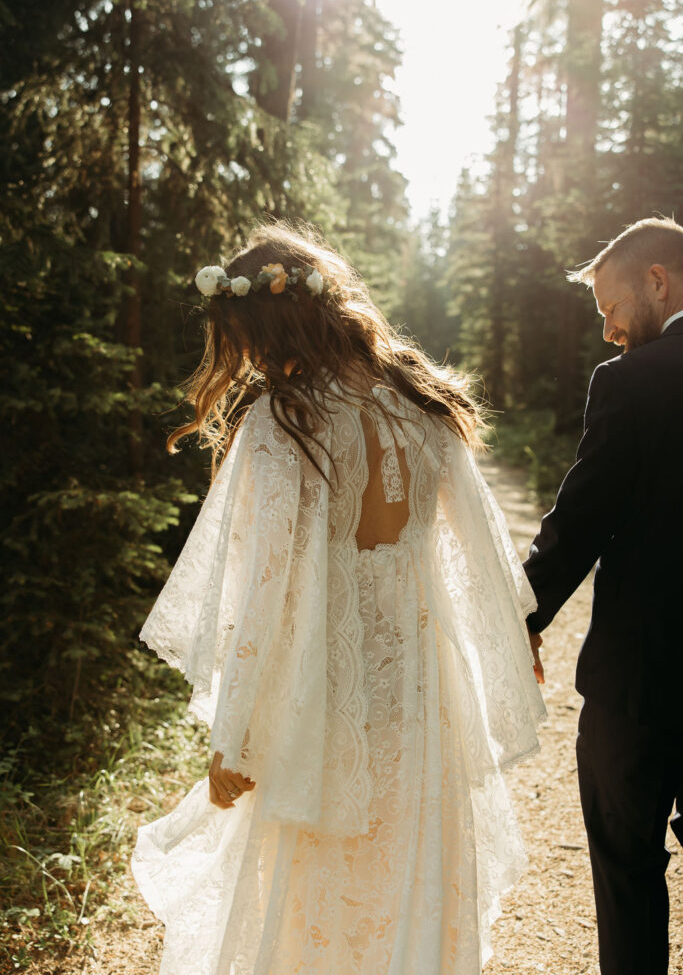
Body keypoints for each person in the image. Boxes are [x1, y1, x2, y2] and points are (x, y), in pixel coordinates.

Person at [131, 221, 545, 975]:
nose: (248, 357)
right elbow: (482, 567)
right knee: (409, 871)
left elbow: (264, 592)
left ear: (271, 325)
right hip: (425, 693)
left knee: (309, 896)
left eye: (245, 338)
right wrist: (512, 652)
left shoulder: (281, 423)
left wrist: (238, 731)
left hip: (318, 695)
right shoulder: (425, 404)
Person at [523, 216, 683, 975]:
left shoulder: (631, 383)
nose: (609, 330)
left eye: (611, 308)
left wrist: (521, 617)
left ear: (657, 281)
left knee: (626, 869)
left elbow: (581, 518)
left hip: (640, 682)